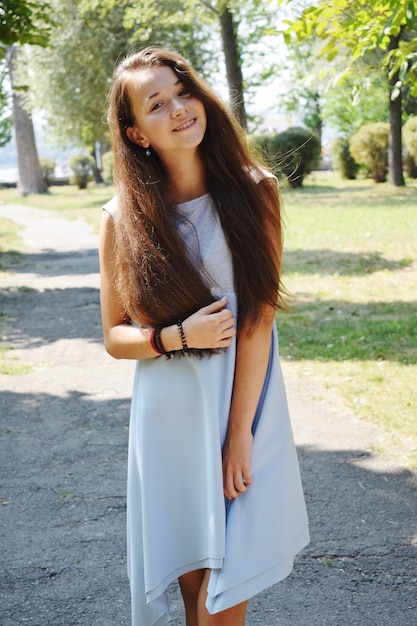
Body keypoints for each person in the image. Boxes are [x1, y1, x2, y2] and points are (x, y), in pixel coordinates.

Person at [99, 46, 309, 626]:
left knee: (227, 589)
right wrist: (176, 336)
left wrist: (239, 435)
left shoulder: (254, 189)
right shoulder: (123, 217)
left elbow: (258, 318)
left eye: (182, 90)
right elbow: (116, 337)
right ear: (137, 133)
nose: (179, 109)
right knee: (195, 590)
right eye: (156, 104)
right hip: (170, 418)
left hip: (245, 409)